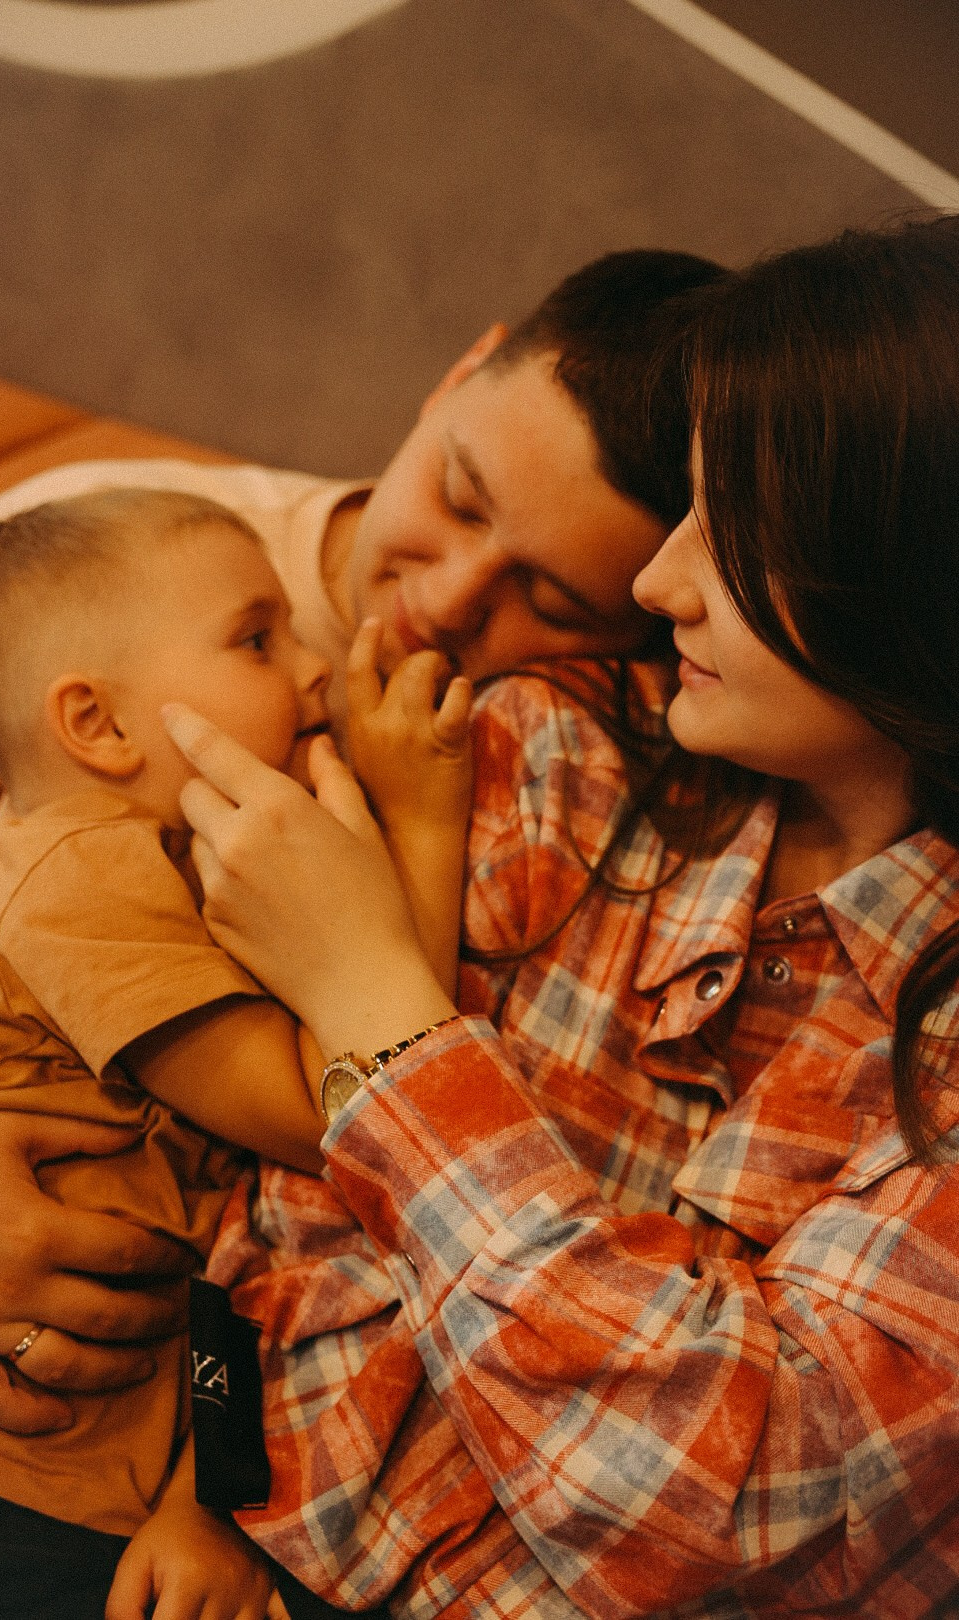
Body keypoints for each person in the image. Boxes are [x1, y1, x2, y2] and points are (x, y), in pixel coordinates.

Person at [157, 214, 959, 1616]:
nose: (659, 589)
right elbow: (275, 1207)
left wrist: (379, 1007)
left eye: (740, 533)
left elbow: (716, 1495)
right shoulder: (555, 752)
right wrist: (197, 1475)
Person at [0, 246, 726, 1435]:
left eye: (553, 600)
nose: (445, 601)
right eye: (461, 494)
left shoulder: (564, 763)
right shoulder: (95, 579)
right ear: (459, 372)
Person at [0, 485, 471, 1620]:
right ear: (96, 725)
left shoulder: (173, 869)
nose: (310, 670)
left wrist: (207, 1494)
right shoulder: (83, 880)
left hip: (81, 1474)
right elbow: (346, 1109)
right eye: (258, 639)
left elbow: (274, 1211)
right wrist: (426, 827)